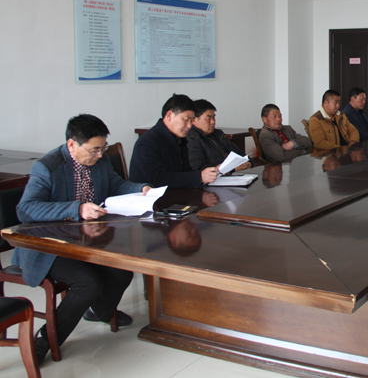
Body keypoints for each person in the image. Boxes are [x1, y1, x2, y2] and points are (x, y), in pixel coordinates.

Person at [13, 114, 151, 364]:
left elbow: (116, 185)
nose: (99, 155)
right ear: (71, 144)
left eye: (103, 148)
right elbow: (26, 209)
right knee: (88, 283)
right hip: (49, 246)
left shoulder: (100, 161)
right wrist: (76, 209)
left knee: (123, 272)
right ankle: (46, 339)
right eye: (94, 150)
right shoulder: (47, 167)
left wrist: (140, 189)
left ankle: (98, 311)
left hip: (85, 241)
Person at [130, 94, 219, 188]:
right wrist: (199, 177)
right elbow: (159, 180)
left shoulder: (179, 139)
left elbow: (185, 172)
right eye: (186, 120)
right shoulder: (147, 142)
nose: (189, 126)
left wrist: (207, 174)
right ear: (169, 115)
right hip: (153, 195)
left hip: (177, 193)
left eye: (191, 121)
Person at [186, 99, 253, 171]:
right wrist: (231, 170)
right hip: (217, 177)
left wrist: (248, 163)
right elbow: (198, 167)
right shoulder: (191, 138)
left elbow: (240, 153)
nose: (213, 122)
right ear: (194, 120)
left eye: (213, 117)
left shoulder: (218, 134)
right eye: (208, 118)